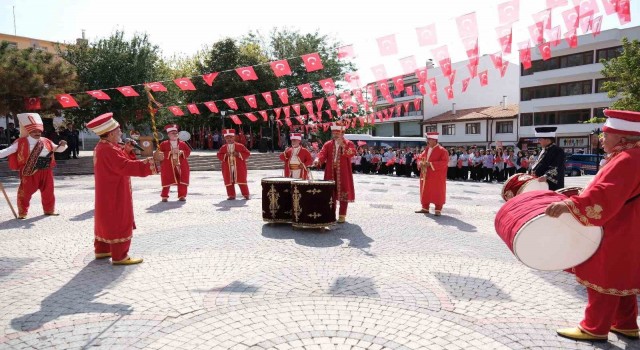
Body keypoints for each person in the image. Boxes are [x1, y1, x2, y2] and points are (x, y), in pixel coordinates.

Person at [546, 109, 640, 342]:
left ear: (622, 137)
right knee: (621, 274)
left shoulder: (628, 159)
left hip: (617, 226)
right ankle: (626, 323)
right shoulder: (630, 156)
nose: (602, 138)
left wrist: (572, 204)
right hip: (628, 224)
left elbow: (605, 195)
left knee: (603, 275)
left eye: (606, 134)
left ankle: (595, 327)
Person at [88, 112, 162, 265]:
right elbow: (125, 166)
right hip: (115, 191)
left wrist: (126, 151)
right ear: (109, 134)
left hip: (107, 190)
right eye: (118, 131)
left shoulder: (103, 146)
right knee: (118, 219)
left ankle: (103, 249)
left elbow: (117, 163)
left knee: (106, 218)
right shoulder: (109, 149)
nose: (121, 133)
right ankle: (120, 255)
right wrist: (152, 160)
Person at [0, 113, 68, 219]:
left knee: (48, 191)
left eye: (39, 131)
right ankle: (23, 212)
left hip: (46, 170)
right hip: (29, 170)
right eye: (34, 131)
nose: (37, 133)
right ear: (29, 131)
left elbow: (57, 148)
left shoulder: (46, 141)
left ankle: (49, 210)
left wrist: (63, 145)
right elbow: (8, 151)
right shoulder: (21, 142)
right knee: (25, 192)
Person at [313, 121, 355, 223]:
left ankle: (342, 215)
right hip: (330, 171)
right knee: (330, 192)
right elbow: (322, 154)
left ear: (342, 133)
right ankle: (331, 213)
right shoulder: (328, 144)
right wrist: (318, 159)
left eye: (338, 133)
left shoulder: (349, 143)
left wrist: (344, 145)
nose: (336, 135)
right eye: (334, 133)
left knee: (343, 192)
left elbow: (352, 153)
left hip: (343, 172)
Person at [415, 132, 448, 216]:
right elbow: (420, 157)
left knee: (437, 191)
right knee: (425, 190)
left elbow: (444, 162)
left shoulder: (442, 150)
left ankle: (438, 209)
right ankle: (425, 207)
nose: (427, 141)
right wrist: (420, 163)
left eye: (428, 139)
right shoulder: (426, 149)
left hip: (436, 176)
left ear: (434, 140)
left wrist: (430, 164)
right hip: (426, 174)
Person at [159, 124, 191, 202]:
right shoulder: (163, 144)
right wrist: (170, 152)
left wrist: (182, 152)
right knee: (167, 179)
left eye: (176, 133)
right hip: (168, 164)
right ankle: (164, 196)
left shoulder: (182, 143)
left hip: (181, 164)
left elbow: (188, 152)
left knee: (182, 179)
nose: (175, 134)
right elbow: (160, 154)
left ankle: (182, 195)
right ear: (168, 134)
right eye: (173, 133)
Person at [217, 129, 251, 200]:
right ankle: (231, 195)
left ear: (234, 137)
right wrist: (225, 155)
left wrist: (238, 154)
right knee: (229, 181)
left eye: (231, 137)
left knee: (242, 180)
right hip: (227, 167)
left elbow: (247, 153)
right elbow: (219, 155)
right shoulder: (223, 147)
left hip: (239, 167)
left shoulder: (240, 146)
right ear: (225, 138)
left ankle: (246, 194)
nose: (229, 139)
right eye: (227, 138)